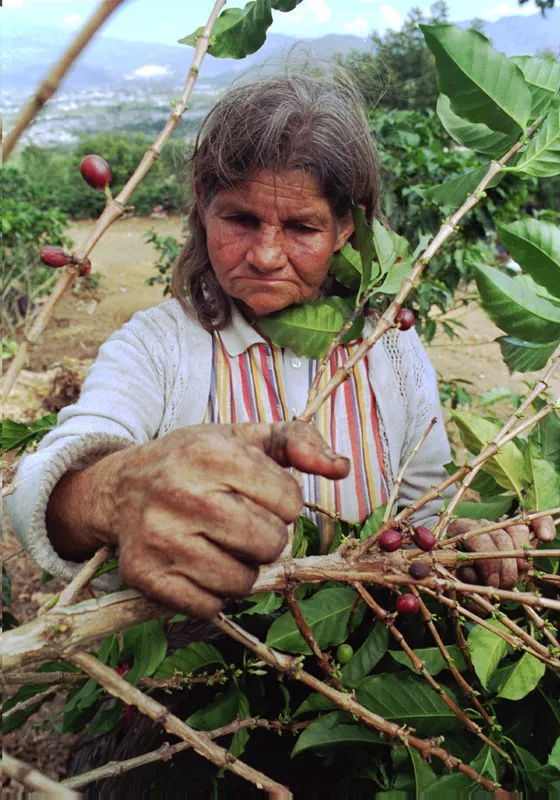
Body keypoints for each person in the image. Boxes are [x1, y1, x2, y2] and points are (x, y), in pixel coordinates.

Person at [7, 70, 555, 799]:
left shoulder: (388, 350)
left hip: (358, 693)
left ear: (346, 230)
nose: (266, 255)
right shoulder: (159, 349)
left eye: (300, 228)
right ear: (202, 208)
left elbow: (422, 509)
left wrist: (470, 542)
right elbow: (47, 484)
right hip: (181, 711)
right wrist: (115, 488)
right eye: (240, 220)